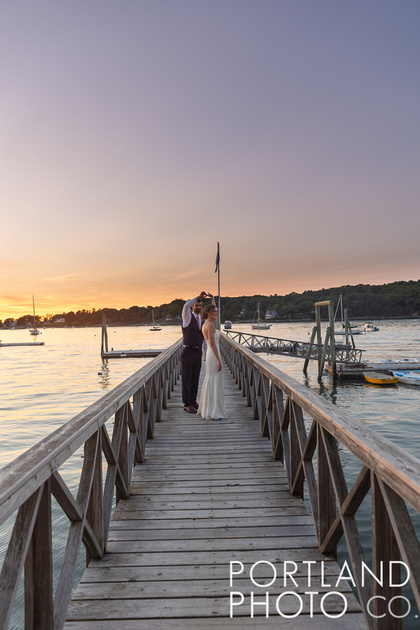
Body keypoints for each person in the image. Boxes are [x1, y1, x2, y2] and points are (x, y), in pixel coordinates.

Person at [198, 304, 227, 420]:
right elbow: (213, 344)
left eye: (217, 311)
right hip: (214, 354)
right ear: (208, 313)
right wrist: (219, 360)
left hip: (210, 353)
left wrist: (212, 299)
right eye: (214, 312)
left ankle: (209, 408)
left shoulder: (206, 323)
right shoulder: (209, 325)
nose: (216, 313)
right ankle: (214, 410)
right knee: (214, 379)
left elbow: (210, 344)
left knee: (212, 378)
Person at [181, 291, 208, 413]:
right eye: (196, 305)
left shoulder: (202, 320)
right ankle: (187, 404)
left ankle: (193, 401)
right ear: (193, 306)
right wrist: (198, 297)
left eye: (200, 305)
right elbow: (185, 305)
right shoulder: (187, 317)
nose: (198, 307)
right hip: (188, 351)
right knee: (186, 378)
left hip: (198, 352)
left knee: (195, 377)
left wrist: (206, 352)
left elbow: (204, 338)